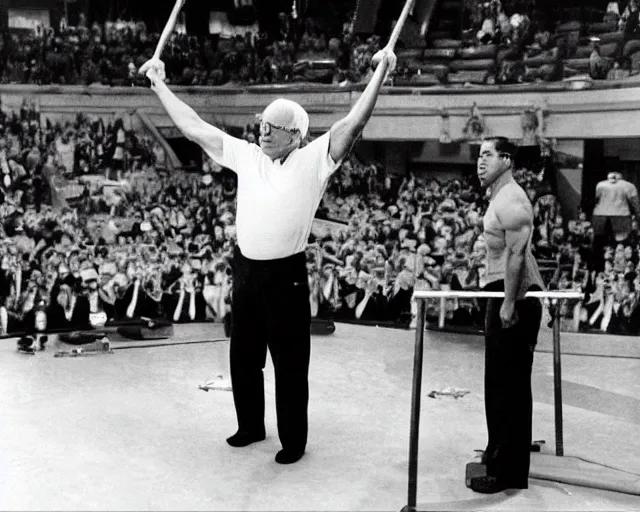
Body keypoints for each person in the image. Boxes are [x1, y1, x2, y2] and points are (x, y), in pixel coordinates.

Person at [138, 46, 397, 464]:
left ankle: (293, 441)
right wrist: (158, 84)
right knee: (243, 356)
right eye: (262, 124)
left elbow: (354, 122)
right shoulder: (247, 155)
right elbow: (193, 127)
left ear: (296, 135)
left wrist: (381, 73)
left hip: (286, 276)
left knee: (290, 363)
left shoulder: (315, 160)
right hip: (246, 271)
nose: (263, 132)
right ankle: (250, 426)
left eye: (274, 128)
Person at [471, 137, 546, 493]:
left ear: (507, 159)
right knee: (496, 385)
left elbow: (517, 254)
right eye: (478, 155)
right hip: (502, 292)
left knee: (511, 390)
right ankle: (496, 451)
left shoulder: (513, 197)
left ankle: (510, 475)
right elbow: (502, 248)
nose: (479, 162)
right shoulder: (498, 197)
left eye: (487, 155)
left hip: (515, 296)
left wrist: (509, 303)